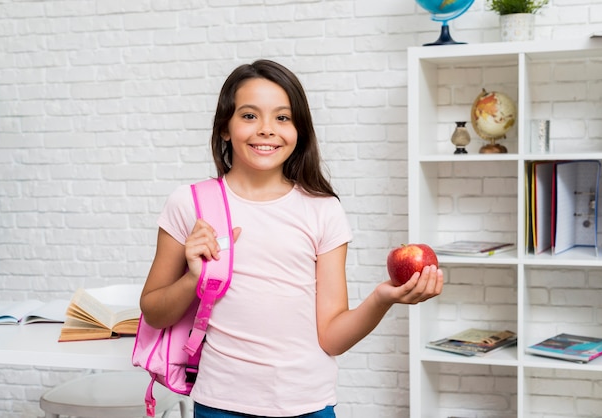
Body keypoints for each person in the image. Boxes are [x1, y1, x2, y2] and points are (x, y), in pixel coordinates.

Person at [140, 59, 444, 418]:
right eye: (250, 116)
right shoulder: (190, 204)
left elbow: (331, 337)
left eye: (282, 118)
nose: (267, 129)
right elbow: (154, 312)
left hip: (308, 404)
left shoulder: (322, 210)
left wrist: (382, 299)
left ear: (299, 129)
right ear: (225, 127)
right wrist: (194, 277)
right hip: (221, 403)